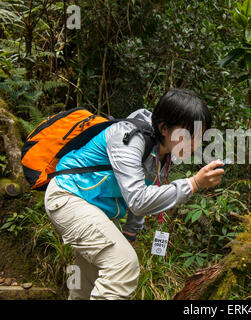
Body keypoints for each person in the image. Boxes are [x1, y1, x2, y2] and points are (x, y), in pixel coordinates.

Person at [44, 88, 224, 300]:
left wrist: (130, 232)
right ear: (164, 128)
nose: (194, 144)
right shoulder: (129, 138)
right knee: (123, 267)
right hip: (68, 197)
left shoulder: (159, 152)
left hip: (94, 211)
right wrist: (193, 183)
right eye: (188, 135)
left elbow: (140, 190)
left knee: (85, 285)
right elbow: (138, 200)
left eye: (199, 137)